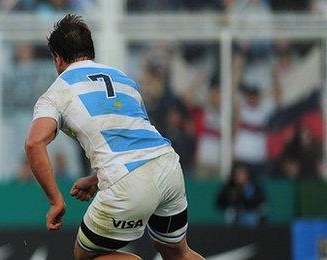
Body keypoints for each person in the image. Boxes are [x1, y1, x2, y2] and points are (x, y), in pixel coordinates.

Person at [24, 14, 204, 260]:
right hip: (168, 166)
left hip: (127, 183)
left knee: (85, 255)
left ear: (57, 58)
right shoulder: (123, 79)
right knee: (178, 253)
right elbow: (131, 137)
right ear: (90, 49)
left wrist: (56, 201)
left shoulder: (56, 92)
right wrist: (97, 179)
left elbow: (34, 143)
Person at [216, 162, 266, 227]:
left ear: (247, 175)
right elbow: (220, 202)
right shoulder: (230, 186)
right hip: (234, 215)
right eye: (237, 174)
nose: (238, 176)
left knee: (251, 218)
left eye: (241, 174)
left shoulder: (255, 186)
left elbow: (259, 201)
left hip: (251, 214)